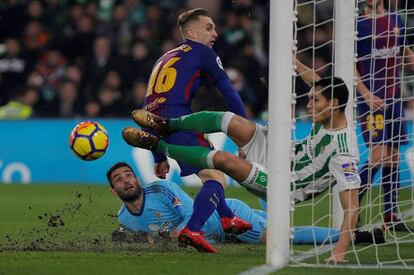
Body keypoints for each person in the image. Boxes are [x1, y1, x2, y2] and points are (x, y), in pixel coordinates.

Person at [123, 75, 361, 262]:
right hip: (282, 154)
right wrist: (295, 61)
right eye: (309, 99)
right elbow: (315, 80)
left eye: (314, 101)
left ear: (335, 104)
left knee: (224, 160)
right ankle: (167, 125)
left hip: (285, 183)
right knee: (229, 120)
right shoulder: (330, 114)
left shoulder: (343, 153)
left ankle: (158, 143)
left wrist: (340, 251)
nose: (308, 106)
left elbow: (352, 207)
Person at [129, 8, 252, 253]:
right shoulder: (203, 52)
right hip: (178, 119)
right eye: (209, 28)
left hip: (155, 121)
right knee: (216, 177)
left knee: (211, 175)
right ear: (192, 33)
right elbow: (228, 90)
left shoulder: (163, 58)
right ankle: (193, 229)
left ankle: (228, 218)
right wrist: (246, 131)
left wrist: (159, 155)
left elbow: (149, 107)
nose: (215, 33)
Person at [107, 162, 359, 250]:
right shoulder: (124, 219)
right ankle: (266, 192)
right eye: (118, 179)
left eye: (128, 175)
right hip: (223, 238)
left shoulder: (162, 189)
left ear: (137, 178)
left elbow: (189, 214)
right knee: (274, 224)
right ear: (113, 190)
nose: (125, 180)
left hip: (227, 217)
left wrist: (176, 234)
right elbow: (152, 234)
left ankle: (352, 236)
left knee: (281, 239)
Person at [355, 0, 414, 231]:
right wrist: (365, 94)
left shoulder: (395, 18)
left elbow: (405, 51)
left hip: (394, 97)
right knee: (378, 156)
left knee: (393, 157)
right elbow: (351, 64)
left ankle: (391, 214)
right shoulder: (358, 24)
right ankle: (352, 202)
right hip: (372, 99)